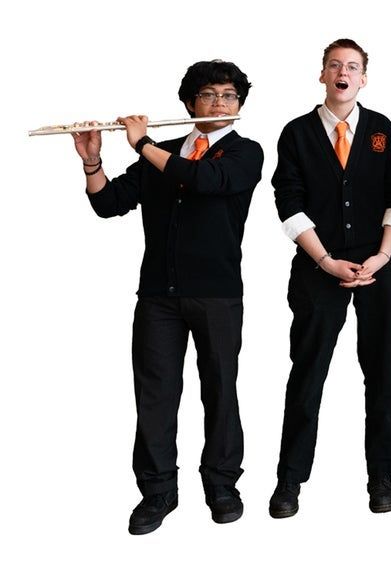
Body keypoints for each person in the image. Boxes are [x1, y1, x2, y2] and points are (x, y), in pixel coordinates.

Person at [71, 60, 263, 535]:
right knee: (155, 395)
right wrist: (92, 160)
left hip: (217, 295)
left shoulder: (246, 152)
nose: (219, 103)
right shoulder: (162, 153)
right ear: (189, 102)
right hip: (158, 296)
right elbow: (108, 203)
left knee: (220, 390)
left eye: (228, 96)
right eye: (209, 95)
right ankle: (157, 491)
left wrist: (142, 143)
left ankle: (222, 485)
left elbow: (203, 180)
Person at [269, 38, 391, 519]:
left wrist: (383, 254)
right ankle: (289, 480)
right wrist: (327, 261)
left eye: (352, 66)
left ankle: (381, 477)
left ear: (363, 78)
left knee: (382, 374)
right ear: (322, 74)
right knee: (308, 373)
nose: (343, 73)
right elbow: (288, 203)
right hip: (318, 267)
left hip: (379, 267)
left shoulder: (382, 130)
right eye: (334, 65)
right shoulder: (296, 133)